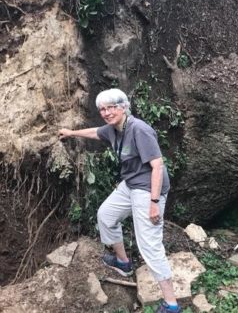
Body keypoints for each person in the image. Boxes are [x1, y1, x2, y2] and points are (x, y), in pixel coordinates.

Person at [58, 88, 181, 313]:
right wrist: (71, 133)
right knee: (106, 215)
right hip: (131, 184)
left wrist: (154, 203)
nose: (106, 112)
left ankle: (171, 304)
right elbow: (96, 132)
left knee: (149, 245)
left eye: (111, 107)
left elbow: (157, 166)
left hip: (148, 189)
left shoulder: (139, 130)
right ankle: (123, 262)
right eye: (102, 109)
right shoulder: (114, 129)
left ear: (123, 107)